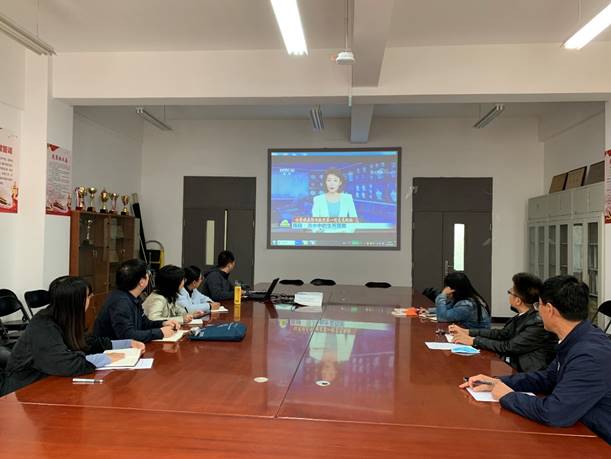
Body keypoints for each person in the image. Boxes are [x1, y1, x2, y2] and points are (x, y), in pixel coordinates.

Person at [461, 275, 611, 445]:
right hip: (581, 426)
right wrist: (498, 382)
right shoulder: (576, 339)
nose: (537, 311)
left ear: (550, 309)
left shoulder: (591, 354)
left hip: (599, 440)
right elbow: (548, 378)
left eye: (538, 305)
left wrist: (508, 396)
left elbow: (554, 412)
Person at [0, 276, 145, 396]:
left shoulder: (64, 317)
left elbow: (85, 343)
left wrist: (126, 344)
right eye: (88, 296)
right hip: (24, 390)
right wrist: (106, 358)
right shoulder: (43, 326)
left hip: (51, 384)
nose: (90, 299)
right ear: (76, 302)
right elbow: (66, 364)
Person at [450, 273, 557, 372]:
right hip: (517, 368)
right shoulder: (522, 316)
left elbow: (509, 347)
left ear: (518, 300)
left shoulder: (537, 323)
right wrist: (468, 332)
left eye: (510, 292)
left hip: (530, 374)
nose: (509, 294)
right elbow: (501, 334)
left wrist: (474, 341)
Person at [93, 259, 180, 342]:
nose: (149, 276)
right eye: (147, 273)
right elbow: (127, 335)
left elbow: (144, 323)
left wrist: (163, 323)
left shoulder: (133, 296)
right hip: (113, 350)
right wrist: (160, 333)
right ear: (141, 282)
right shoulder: (120, 302)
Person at [425, 272, 491, 329]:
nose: (446, 289)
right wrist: (429, 311)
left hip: (475, 336)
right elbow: (449, 308)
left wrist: (443, 295)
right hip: (466, 331)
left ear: (454, 289)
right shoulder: (465, 297)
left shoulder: (466, 305)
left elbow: (442, 318)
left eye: (448, 287)